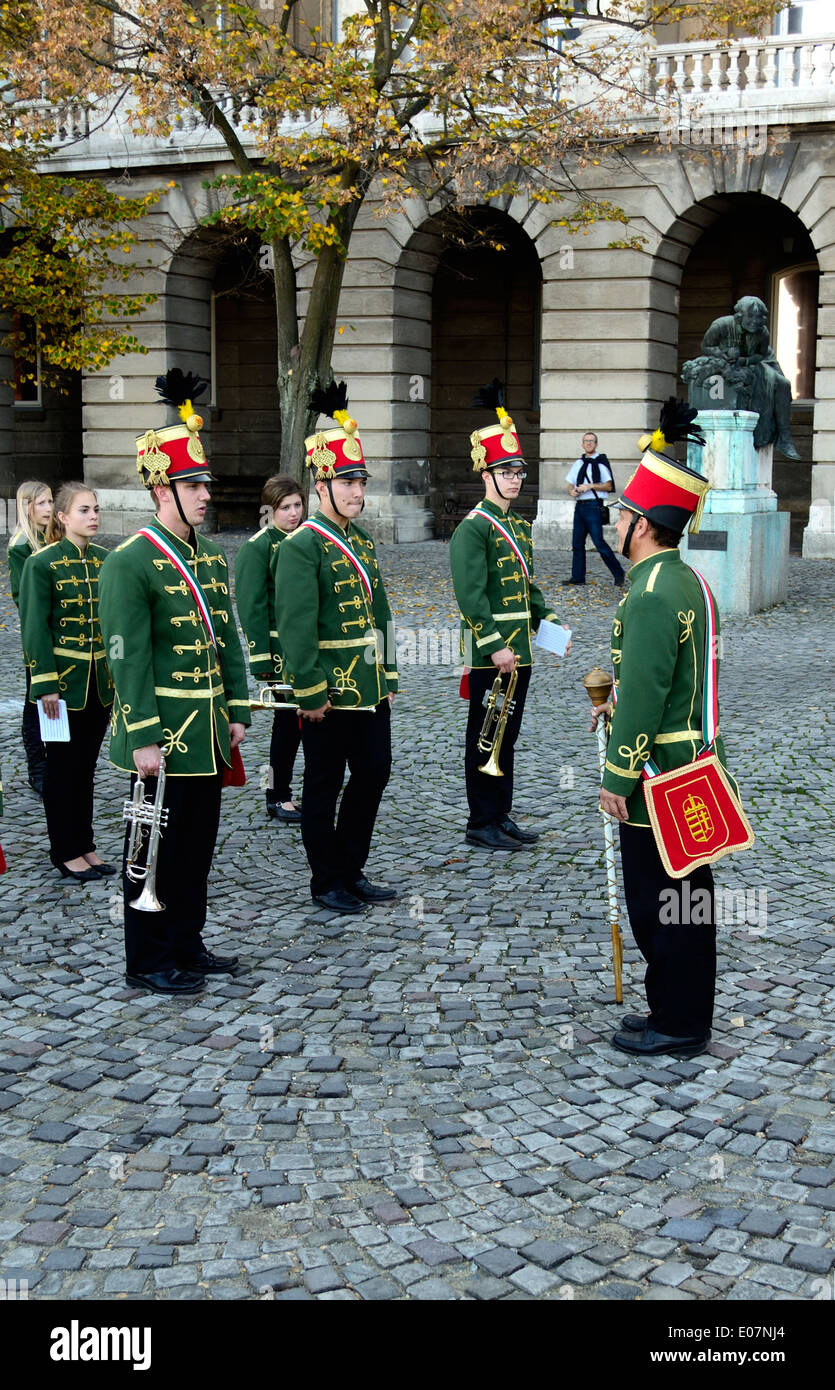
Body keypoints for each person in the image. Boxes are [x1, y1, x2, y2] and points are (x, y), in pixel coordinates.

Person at [99, 368, 252, 995]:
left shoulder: (209, 557)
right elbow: (126, 658)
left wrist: (238, 705)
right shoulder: (130, 560)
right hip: (160, 736)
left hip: (209, 734)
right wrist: (142, 736)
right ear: (163, 488)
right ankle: (147, 960)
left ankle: (186, 944)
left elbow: (227, 638)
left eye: (205, 482)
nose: (205, 494)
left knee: (194, 853)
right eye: (194, 484)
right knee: (149, 857)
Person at [588, 400, 732, 1058]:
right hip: (696, 766)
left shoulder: (647, 594)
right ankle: (679, 1012)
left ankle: (675, 1022)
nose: (614, 520)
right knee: (689, 903)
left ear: (643, 526)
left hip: (658, 780)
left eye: (622, 513)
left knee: (659, 907)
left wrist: (616, 774)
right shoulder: (686, 581)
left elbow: (646, 697)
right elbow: (671, 686)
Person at [276, 381, 398, 915]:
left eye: (360, 480)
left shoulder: (362, 540)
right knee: (323, 783)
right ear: (321, 486)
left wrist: (389, 676)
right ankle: (325, 879)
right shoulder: (302, 544)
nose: (356, 490)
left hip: (368, 688)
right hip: (325, 691)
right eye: (346, 481)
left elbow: (382, 614)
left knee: (375, 771)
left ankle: (351, 867)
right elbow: (295, 626)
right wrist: (309, 690)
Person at [450, 380, 569, 851]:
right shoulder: (474, 529)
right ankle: (481, 821)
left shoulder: (518, 527)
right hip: (491, 656)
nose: (516, 478)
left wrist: (552, 622)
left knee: (507, 737)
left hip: (519, 654)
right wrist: (495, 645)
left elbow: (528, 589)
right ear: (487, 474)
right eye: (507, 470)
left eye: (519, 470)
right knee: (485, 736)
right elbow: (471, 596)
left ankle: (500, 814)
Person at [19, 481, 115, 881]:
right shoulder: (41, 564)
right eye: (83, 510)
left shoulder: (108, 561)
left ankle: (85, 844)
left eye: (95, 509)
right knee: (61, 770)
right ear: (61, 517)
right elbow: (34, 629)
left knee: (86, 768)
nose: (93, 517)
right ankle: (64, 850)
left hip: (100, 686)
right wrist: (46, 686)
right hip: (61, 688)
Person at [235, 475, 305, 824]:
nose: (293, 513)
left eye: (297, 505)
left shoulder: (306, 541)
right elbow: (251, 606)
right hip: (278, 653)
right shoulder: (258, 547)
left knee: (307, 725)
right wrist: (261, 656)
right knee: (285, 729)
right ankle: (274, 793)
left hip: (307, 650)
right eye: (284, 508)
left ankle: (289, 791)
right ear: (269, 510)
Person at [8, 479, 54, 796]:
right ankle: (38, 770)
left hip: (63, 636)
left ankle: (57, 766)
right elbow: (23, 597)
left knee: (57, 704)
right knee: (34, 702)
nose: (49, 509)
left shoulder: (54, 540)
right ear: (27, 507)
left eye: (51, 502)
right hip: (39, 636)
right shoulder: (22, 547)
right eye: (42, 503)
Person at [562, 432, 625, 587]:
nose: (589, 444)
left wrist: (590, 486)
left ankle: (618, 573)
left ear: (596, 444)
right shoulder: (578, 463)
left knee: (599, 543)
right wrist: (572, 491)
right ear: (582, 444)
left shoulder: (600, 462)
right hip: (580, 506)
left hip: (593, 506)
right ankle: (578, 577)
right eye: (586, 441)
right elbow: (570, 483)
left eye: (592, 441)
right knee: (577, 544)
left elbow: (609, 485)